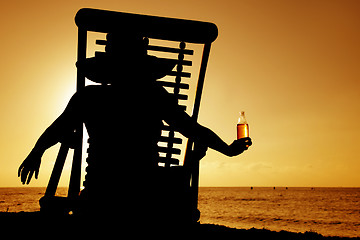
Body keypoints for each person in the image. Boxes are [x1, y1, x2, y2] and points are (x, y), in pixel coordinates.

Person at [18, 32, 252, 217]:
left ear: (108, 68)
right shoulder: (154, 95)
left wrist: (35, 153)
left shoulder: (88, 97)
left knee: (176, 173)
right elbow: (193, 129)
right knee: (179, 174)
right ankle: (188, 167)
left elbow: (56, 129)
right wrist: (228, 150)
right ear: (143, 66)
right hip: (146, 195)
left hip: (99, 195)